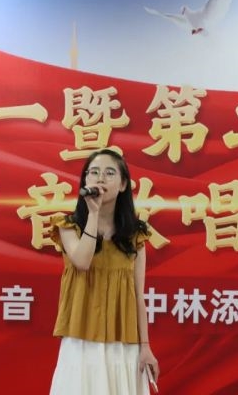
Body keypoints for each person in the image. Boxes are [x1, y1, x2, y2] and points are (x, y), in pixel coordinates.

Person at [49, 149, 159, 395]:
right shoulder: (68, 226)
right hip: (81, 339)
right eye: (94, 172)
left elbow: (138, 295)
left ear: (123, 184)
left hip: (123, 342)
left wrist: (145, 347)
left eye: (109, 173)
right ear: (85, 181)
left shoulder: (135, 235)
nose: (100, 178)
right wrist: (94, 214)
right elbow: (82, 261)